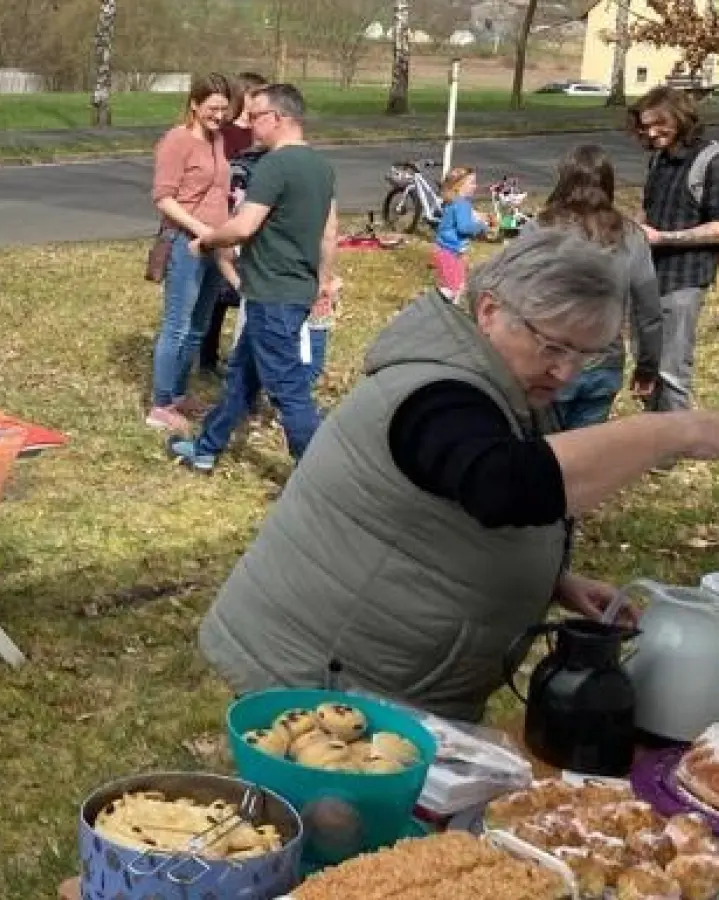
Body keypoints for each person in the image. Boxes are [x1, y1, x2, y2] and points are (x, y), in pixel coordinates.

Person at [197, 228, 719, 722]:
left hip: (382, 680)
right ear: (490, 311)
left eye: (585, 355)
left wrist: (552, 583)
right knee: (321, 817)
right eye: (553, 347)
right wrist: (673, 433)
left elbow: (437, 515)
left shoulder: (500, 381)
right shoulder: (435, 392)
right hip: (323, 678)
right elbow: (500, 485)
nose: (566, 373)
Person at [168, 84, 338, 472]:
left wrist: (207, 238)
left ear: (279, 118)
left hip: (273, 294)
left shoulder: (274, 166)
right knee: (242, 379)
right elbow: (330, 233)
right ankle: (207, 448)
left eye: (255, 116)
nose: (247, 125)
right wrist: (323, 282)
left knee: (288, 389)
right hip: (292, 289)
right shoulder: (321, 167)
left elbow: (244, 227)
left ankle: (316, 475)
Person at [533, 145, 662, 431]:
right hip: (604, 363)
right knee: (585, 454)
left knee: (545, 452)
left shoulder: (540, 229)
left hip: (549, 362)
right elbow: (650, 311)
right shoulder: (631, 236)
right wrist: (648, 366)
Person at [147, 72, 235, 431]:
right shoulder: (177, 140)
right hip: (187, 243)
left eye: (224, 109)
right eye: (213, 108)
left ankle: (180, 393)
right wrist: (200, 230)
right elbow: (164, 197)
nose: (219, 115)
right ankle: (161, 404)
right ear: (194, 105)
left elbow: (219, 193)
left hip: (215, 245)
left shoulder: (217, 140)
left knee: (199, 326)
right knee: (178, 326)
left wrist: (226, 235)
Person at [629, 86, 719, 413]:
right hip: (647, 275)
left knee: (672, 368)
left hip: (684, 279)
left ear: (679, 118)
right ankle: (654, 432)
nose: (651, 133)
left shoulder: (712, 159)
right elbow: (648, 210)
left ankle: (674, 444)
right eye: (644, 127)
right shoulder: (659, 159)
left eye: (658, 125)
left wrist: (665, 238)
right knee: (646, 362)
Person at [201, 71, 269, 376]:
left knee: (239, 291)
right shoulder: (227, 134)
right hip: (230, 212)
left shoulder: (260, 134)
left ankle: (242, 355)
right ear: (247, 95)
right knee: (218, 292)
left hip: (253, 214)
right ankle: (207, 355)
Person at [433, 167, 487, 300]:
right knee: (455, 288)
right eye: (472, 182)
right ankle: (442, 309)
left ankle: (444, 305)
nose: (476, 186)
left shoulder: (453, 201)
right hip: (451, 251)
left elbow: (458, 218)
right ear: (459, 186)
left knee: (454, 284)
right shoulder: (462, 204)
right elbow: (464, 228)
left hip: (443, 249)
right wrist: (481, 226)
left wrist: (476, 216)